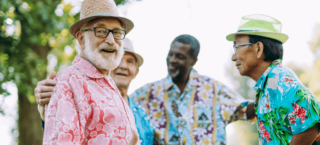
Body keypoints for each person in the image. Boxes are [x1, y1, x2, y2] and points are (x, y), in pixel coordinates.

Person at [36, 34, 255, 144]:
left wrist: (277, 89)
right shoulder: (140, 98)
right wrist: (49, 104)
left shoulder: (213, 90)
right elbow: (69, 126)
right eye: (171, 54)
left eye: (130, 62)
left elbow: (252, 109)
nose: (123, 66)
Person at [40, 0, 140, 145]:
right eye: (101, 31)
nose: (111, 40)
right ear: (81, 39)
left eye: (117, 32)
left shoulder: (109, 84)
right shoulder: (68, 83)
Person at [130, 34, 256, 144]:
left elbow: (246, 108)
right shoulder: (148, 94)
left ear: (193, 61)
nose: (172, 60)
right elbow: (121, 107)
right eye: (171, 55)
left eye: (180, 56)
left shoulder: (213, 90)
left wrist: (270, 93)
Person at [36, 38, 154, 145]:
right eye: (120, 60)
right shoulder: (80, 95)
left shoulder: (142, 111)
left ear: (136, 72)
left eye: (130, 62)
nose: (123, 66)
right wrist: (47, 111)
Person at [226, 14, 320, 145]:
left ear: (258, 48)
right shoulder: (266, 86)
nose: (233, 57)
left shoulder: (280, 79)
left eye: (236, 47)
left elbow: (312, 120)